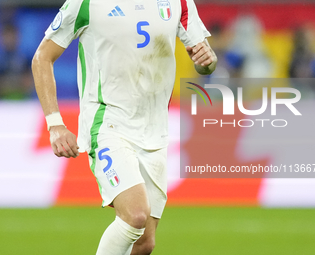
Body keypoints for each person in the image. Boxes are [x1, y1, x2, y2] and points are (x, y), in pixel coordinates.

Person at [32, 0, 216, 254]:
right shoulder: (85, 3)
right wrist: (55, 125)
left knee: (144, 244)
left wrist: (207, 61)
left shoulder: (179, 2)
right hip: (108, 123)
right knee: (135, 215)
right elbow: (42, 57)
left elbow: (204, 60)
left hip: (155, 130)